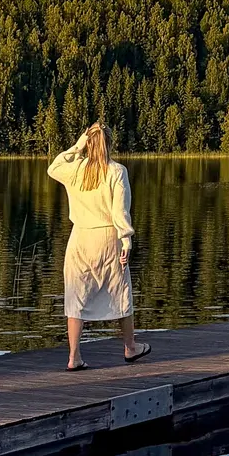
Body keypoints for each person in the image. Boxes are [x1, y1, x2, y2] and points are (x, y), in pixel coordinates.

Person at [47, 123, 150, 370]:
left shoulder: (75, 170)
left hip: (80, 238)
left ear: (88, 143)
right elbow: (120, 212)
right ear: (111, 144)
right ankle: (130, 346)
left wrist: (78, 145)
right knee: (121, 290)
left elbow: (54, 167)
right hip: (108, 238)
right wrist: (126, 240)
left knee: (76, 296)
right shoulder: (116, 171)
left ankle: (74, 357)